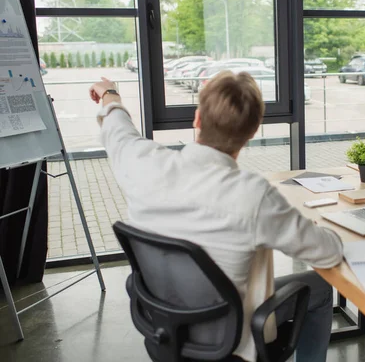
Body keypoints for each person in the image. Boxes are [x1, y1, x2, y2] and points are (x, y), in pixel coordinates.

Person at [89, 73, 343, 362]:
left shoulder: (143, 163)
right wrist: (325, 228)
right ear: (252, 132)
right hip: (232, 340)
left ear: (197, 119)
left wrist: (109, 93)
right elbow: (328, 253)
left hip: (165, 327)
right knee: (321, 287)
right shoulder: (253, 195)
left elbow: (118, 129)